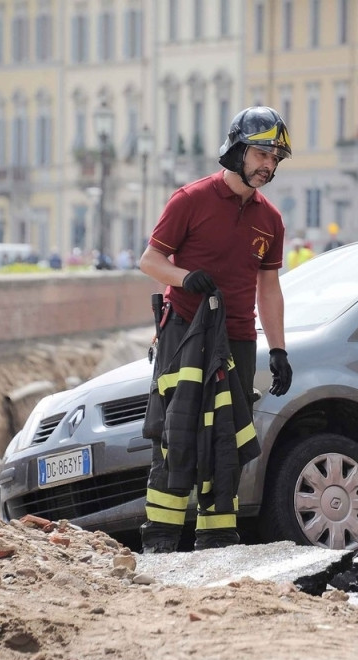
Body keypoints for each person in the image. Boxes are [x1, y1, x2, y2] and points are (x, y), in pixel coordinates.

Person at [137, 106, 295, 553]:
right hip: (183, 332)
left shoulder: (271, 220)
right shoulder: (190, 199)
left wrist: (279, 350)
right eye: (261, 154)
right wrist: (185, 278)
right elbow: (150, 261)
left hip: (238, 339)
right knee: (175, 433)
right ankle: (161, 540)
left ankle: (217, 540)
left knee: (227, 436)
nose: (268, 166)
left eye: (275, 159)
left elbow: (269, 288)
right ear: (237, 150)